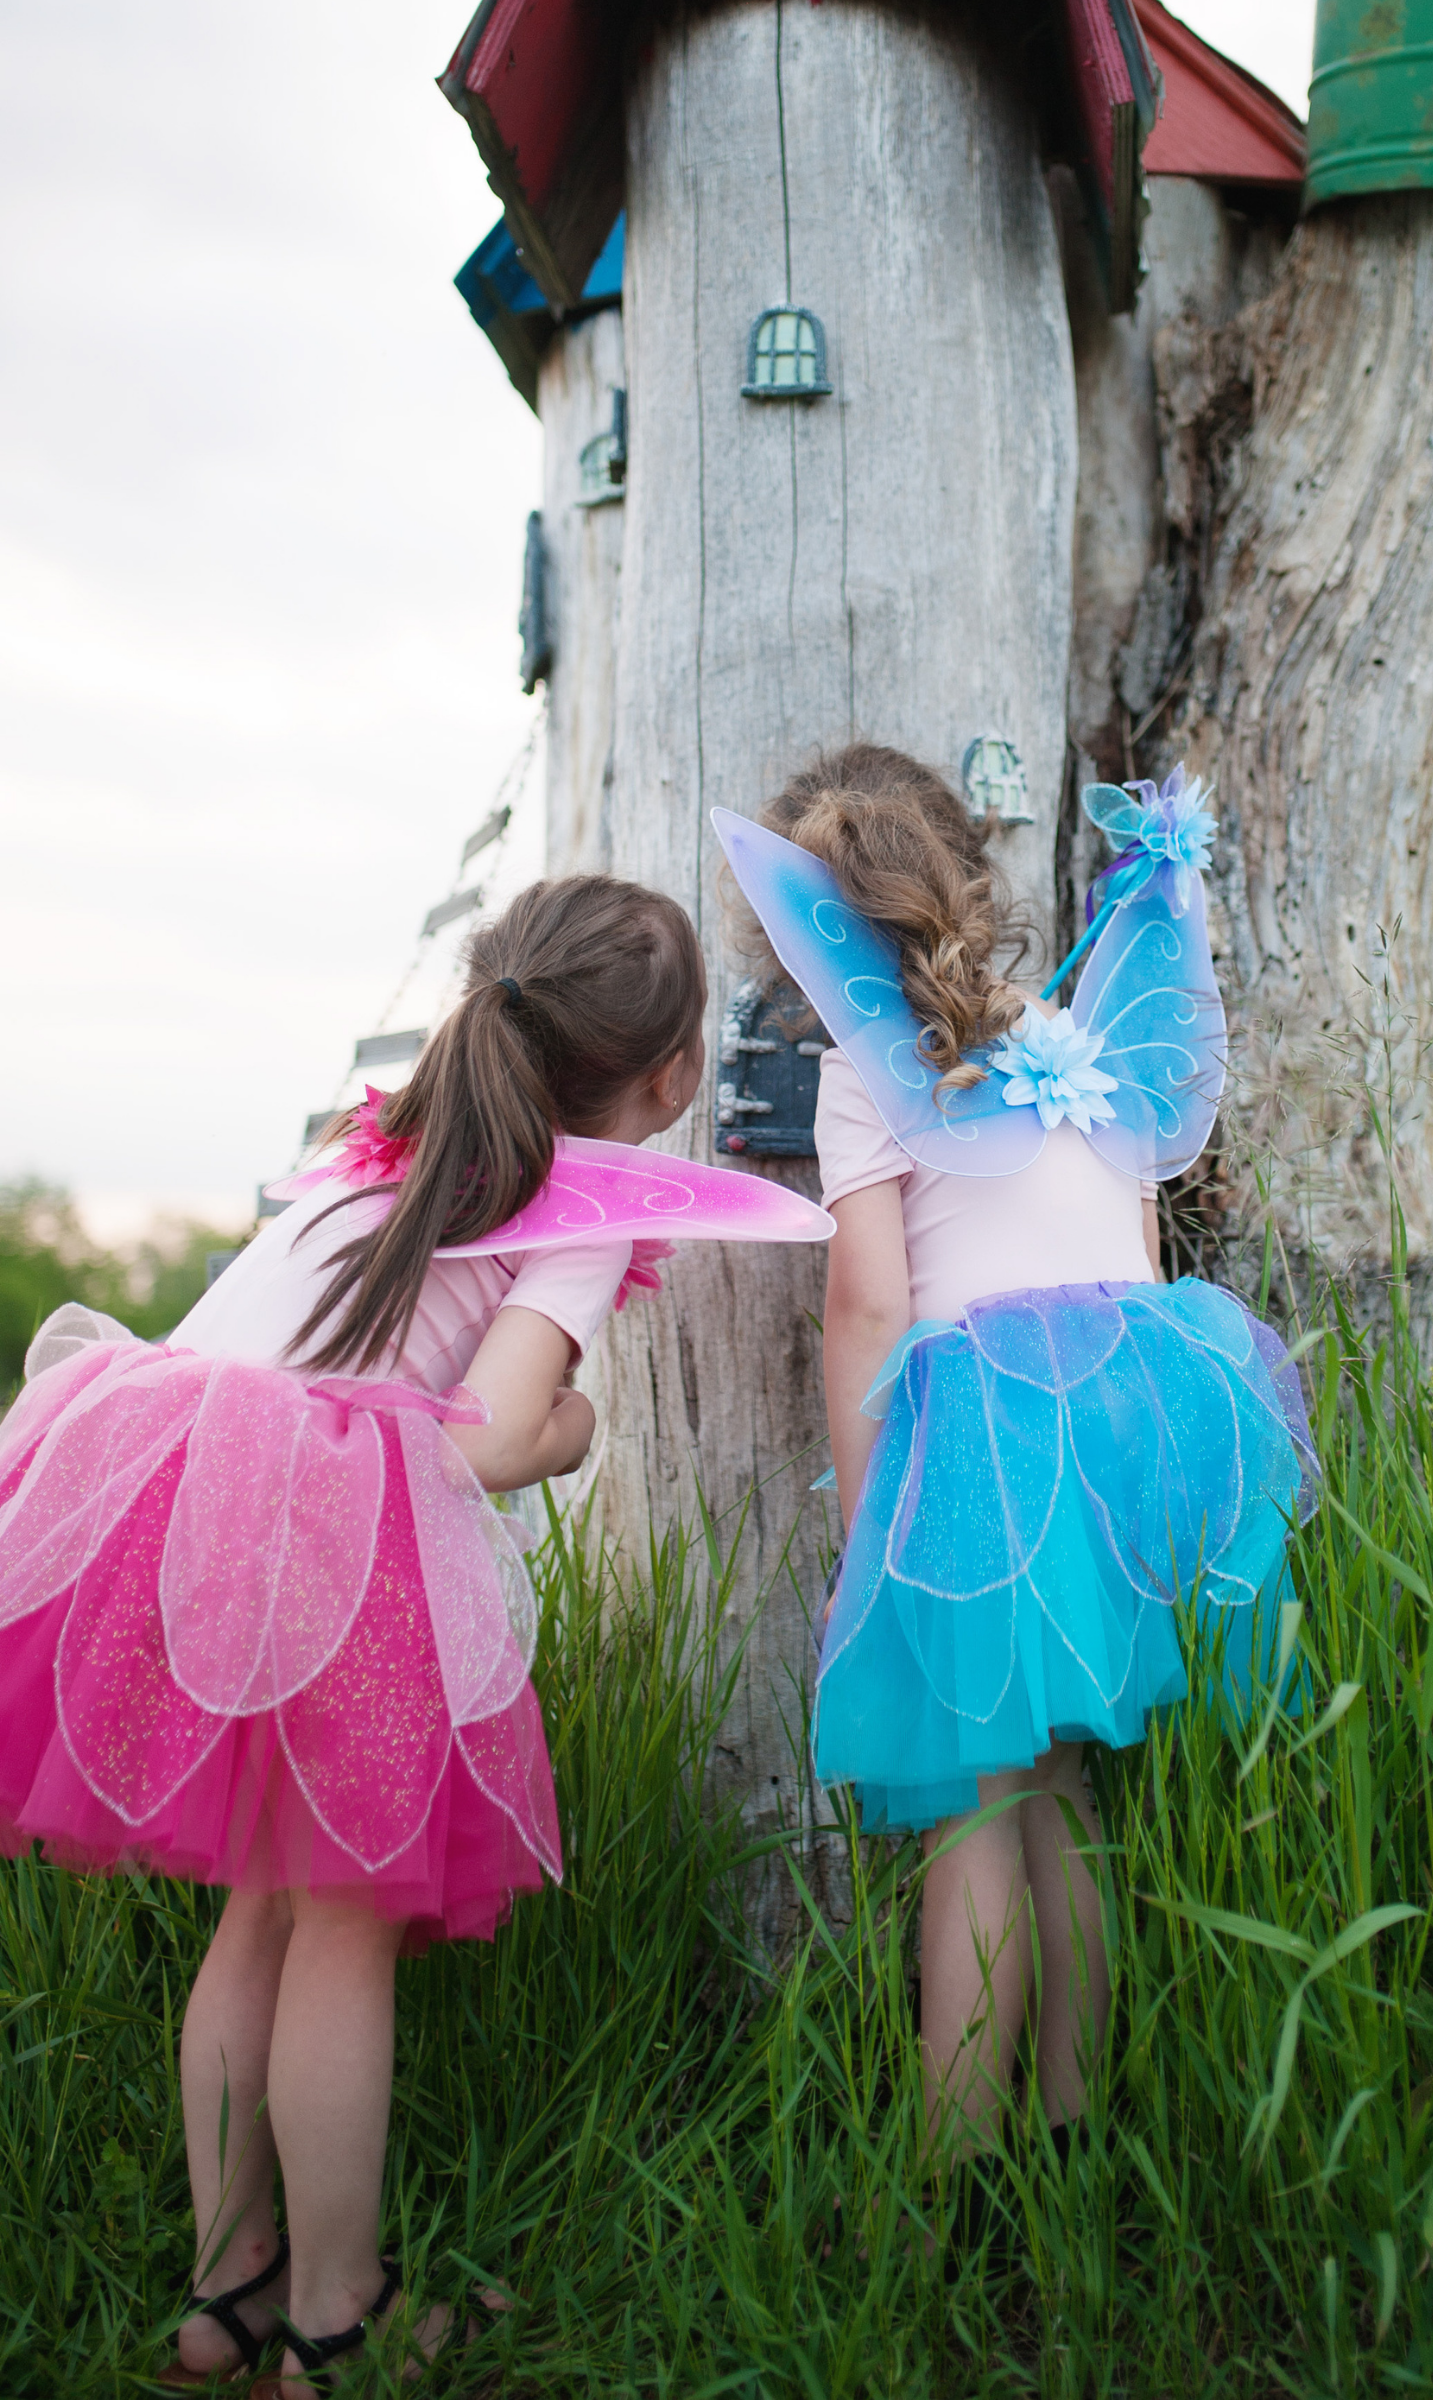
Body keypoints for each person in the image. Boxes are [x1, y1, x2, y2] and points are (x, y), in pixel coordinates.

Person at [0, 873, 829, 2392]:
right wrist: (575, 1427)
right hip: (330, 1528)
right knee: (343, 1932)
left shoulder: (382, 1147)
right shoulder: (585, 1197)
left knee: (256, 1911)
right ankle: (334, 2316)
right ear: (673, 1074)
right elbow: (493, 1437)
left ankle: (222, 2291)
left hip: (174, 1487)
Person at [719, 745, 1317, 2219]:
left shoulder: (875, 1071)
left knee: (979, 1812)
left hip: (993, 1443)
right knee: (1066, 1792)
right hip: (1142, 1424)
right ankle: (1069, 2133)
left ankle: (951, 2175)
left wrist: (875, 1522)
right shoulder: (1080, 1046)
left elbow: (867, 1303)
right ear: (969, 880)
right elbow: (1127, 1253)